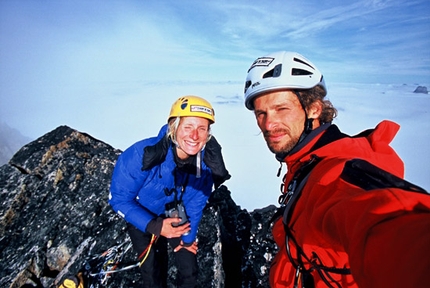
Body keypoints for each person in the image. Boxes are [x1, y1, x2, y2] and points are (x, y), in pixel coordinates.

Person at [243, 51, 430, 287]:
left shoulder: (336, 171)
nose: (268, 124)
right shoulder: (306, 161)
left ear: (313, 109)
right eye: (261, 113)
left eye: (282, 109)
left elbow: (386, 220)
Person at [109, 95, 230, 288]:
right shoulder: (141, 155)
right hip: (143, 213)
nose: (194, 136)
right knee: (152, 274)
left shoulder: (205, 166)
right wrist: (156, 227)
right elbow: (120, 200)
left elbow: (195, 204)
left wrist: (187, 240)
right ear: (174, 127)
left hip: (174, 212)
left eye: (202, 128)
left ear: (208, 134)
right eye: (188, 127)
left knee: (189, 271)